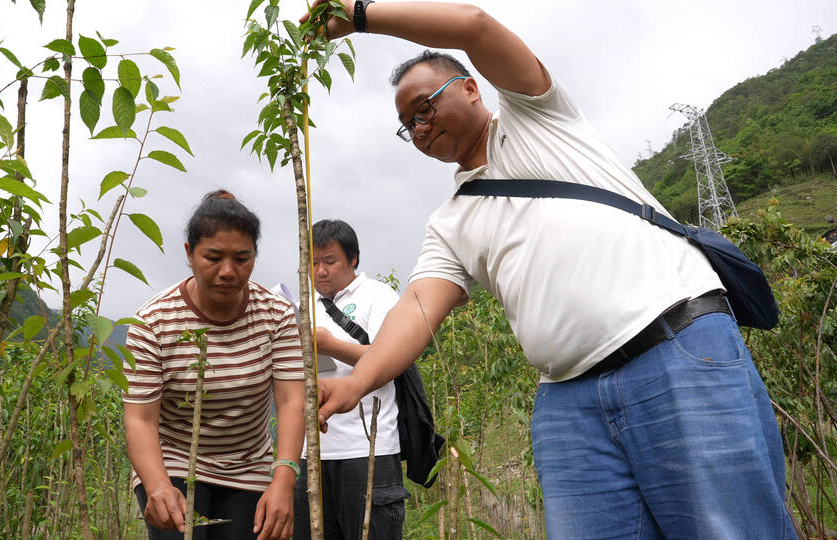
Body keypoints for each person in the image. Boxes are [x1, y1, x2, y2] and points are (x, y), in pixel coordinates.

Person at [303, 2, 799, 538]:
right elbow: (418, 307)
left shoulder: (538, 118)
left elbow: (474, 27)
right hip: (569, 401)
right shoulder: (450, 222)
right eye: (408, 125)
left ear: (470, 88)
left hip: (674, 349)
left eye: (425, 108)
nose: (420, 128)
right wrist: (357, 382)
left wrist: (358, 15)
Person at [123, 190, 304, 540]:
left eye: (242, 258)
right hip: (171, 458)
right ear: (189, 254)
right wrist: (158, 486)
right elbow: (139, 418)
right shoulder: (153, 322)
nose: (227, 271)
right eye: (213, 257)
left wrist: (284, 480)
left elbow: (291, 401)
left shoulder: (276, 316)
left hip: (250, 462)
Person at [292, 219, 408, 539]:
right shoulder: (305, 307)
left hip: (368, 448)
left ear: (353, 258)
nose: (321, 271)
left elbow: (393, 356)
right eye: (313, 263)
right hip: (313, 452)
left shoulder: (379, 297)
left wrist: (331, 345)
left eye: (330, 261)